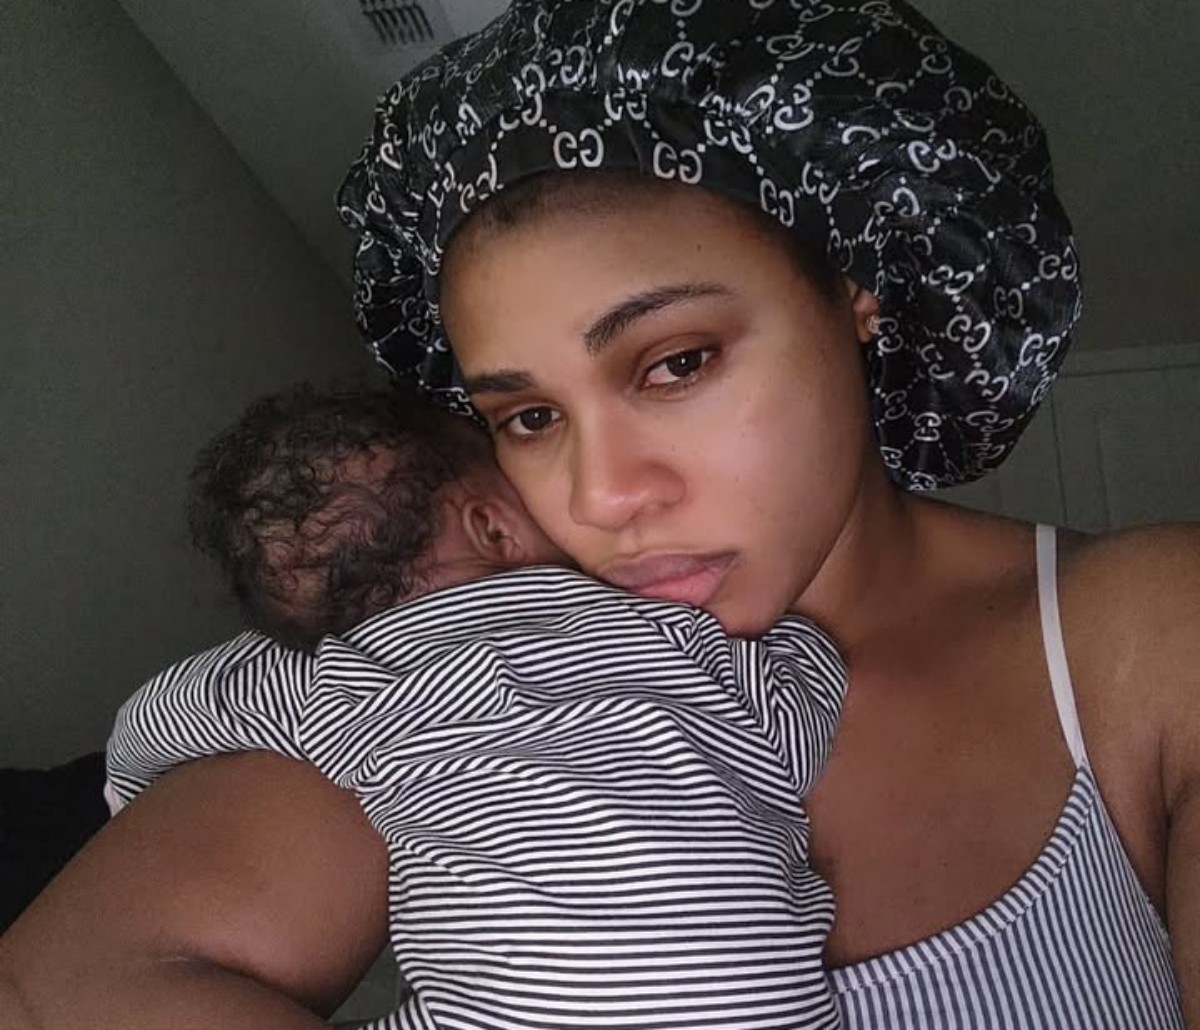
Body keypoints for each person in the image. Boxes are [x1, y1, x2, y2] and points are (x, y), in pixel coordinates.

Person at [1, 0, 1196, 1027]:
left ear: (856, 292)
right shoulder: (474, 667)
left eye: (675, 362)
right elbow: (57, 984)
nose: (599, 495)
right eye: (528, 417)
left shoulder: (1142, 632)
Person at [102, 383, 848, 1029]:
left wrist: (124, 790)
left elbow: (161, 716)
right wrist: (802, 636)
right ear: (492, 525)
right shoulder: (654, 625)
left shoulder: (336, 678)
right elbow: (801, 713)